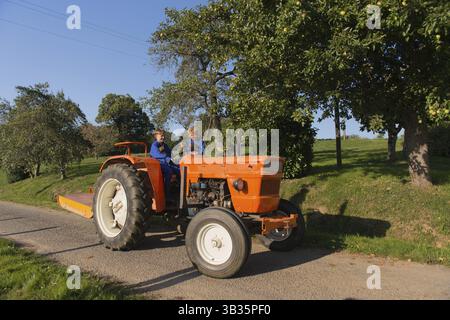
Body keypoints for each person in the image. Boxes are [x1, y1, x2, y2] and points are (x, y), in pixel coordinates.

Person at [150, 129, 179, 197]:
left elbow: (170, 153)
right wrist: (168, 158)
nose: (163, 137)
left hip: (166, 162)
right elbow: (157, 155)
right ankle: (167, 194)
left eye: (163, 136)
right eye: (161, 135)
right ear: (156, 136)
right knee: (168, 171)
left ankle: (180, 190)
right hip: (158, 163)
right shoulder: (154, 145)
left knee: (180, 169)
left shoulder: (164, 145)